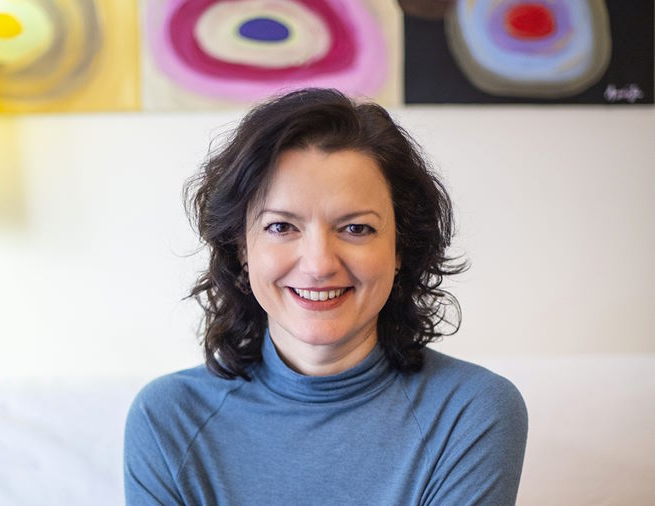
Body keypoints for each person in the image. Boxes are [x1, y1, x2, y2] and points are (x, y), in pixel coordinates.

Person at [123, 88, 528, 505]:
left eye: (356, 228)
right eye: (281, 227)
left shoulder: (472, 411)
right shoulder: (167, 419)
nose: (319, 264)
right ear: (242, 248)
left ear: (399, 249)